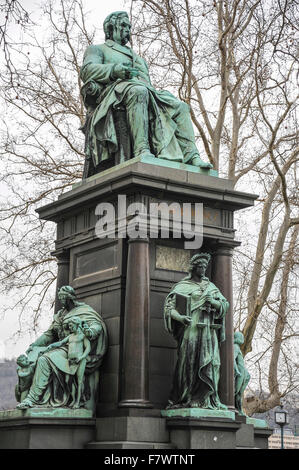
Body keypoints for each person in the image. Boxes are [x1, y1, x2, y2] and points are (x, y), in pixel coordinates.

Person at [80, 11, 212, 174]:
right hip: (114, 93)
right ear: (109, 28)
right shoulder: (98, 49)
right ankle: (142, 150)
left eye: (128, 26)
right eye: (122, 25)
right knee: (138, 92)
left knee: (181, 107)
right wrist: (115, 70)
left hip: (144, 90)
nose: (127, 29)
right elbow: (87, 71)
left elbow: (145, 81)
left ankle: (191, 156)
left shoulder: (137, 57)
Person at [16, 286, 107, 410]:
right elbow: (49, 335)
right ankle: (33, 398)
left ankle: (32, 398)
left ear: (70, 298)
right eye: (59, 298)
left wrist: (90, 331)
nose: (61, 300)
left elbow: (96, 326)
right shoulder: (60, 314)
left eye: (63, 297)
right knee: (33, 359)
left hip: (74, 350)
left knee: (44, 359)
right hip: (63, 347)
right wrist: (34, 345)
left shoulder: (85, 311)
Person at [163, 253, 229, 410]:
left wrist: (214, 302)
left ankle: (206, 399)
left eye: (205, 267)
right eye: (201, 267)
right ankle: (186, 396)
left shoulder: (211, 287)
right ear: (193, 268)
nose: (203, 270)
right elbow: (169, 309)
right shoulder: (182, 287)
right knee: (189, 363)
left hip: (208, 330)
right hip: (190, 330)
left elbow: (224, 305)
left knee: (211, 363)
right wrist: (180, 318)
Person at [42, 317, 91, 409]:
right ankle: (72, 399)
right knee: (67, 380)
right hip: (71, 361)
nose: (70, 328)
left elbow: (88, 348)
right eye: (69, 326)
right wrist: (52, 345)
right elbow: (61, 343)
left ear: (77, 325)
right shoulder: (70, 336)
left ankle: (78, 401)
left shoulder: (82, 336)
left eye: (71, 326)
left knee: (79, 381)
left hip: (79, 360)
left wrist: (81, 357)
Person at [234, 331, 250, 415]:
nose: (243, 339)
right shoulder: (235, 347)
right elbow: (232, 359)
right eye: (241, 337)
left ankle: (239, 409)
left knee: (240, 392)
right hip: (240, 373)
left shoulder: (237, 347)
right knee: (237, 392)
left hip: (243, 373)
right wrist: (236, 370)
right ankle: (238, 409)